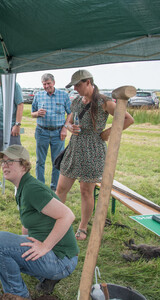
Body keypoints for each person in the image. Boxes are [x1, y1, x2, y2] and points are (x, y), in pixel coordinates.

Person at [0, 145, 79, 300]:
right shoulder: (22, 188)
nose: (4, 165)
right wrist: (22, 244)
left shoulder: (32, 189)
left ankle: (17, 295)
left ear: (24, 165)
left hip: (62, 260)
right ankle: (46, 279)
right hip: (53, 256)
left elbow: (68, 216)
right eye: (3, 162)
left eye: (10, 161)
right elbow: (27, 224)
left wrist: (45, 246)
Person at [56, 70, 134, 240]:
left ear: (89, 82)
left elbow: (128, 119)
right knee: (61, 188)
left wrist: (108, 132)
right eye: (74, 85)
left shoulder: (103, 102)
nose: (75, 88)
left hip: (93, 150)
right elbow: (68, 121)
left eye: (78, 85)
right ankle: (55, 221)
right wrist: (69, 128)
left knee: (86, 191)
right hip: (74, 148)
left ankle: (83, 227)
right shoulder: (76, 101)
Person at [31, 73, 71, 192]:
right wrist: (37, 113)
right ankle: (40, 186)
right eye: (44, 84)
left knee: (57, 161)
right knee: (40, 161)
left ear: (53, 83)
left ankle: (55, 188)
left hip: (58, 133)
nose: (46, 86)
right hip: (42, 131)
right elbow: (32, 113)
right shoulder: (38, 95)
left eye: (48, 83)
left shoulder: (63, 95)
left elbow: (70, 113)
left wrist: (65, 128)